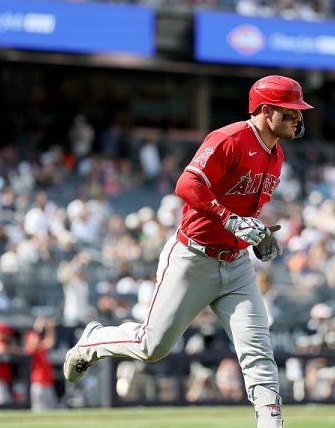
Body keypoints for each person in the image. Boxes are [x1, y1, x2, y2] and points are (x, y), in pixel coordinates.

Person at [63, 75, 313, 428]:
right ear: (266, 111)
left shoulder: (277, 154)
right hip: (193, 259)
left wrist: (257, 234)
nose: (298, 119)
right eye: (290, 113)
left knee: (258, 348)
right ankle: (94, 341)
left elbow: (242, 210)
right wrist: (231, 220)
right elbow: (187, 184)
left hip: (236, 264)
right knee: (153, 347)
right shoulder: (228, 139)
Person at [24, 316, 57, 411]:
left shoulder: (41, 348)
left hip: (47, 382)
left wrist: (50, 328)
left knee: (50, 410)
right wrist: (37, 329)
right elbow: (32, 346)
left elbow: (50, 342)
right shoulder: (32, 347)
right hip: (38, 383)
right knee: (39, 410)